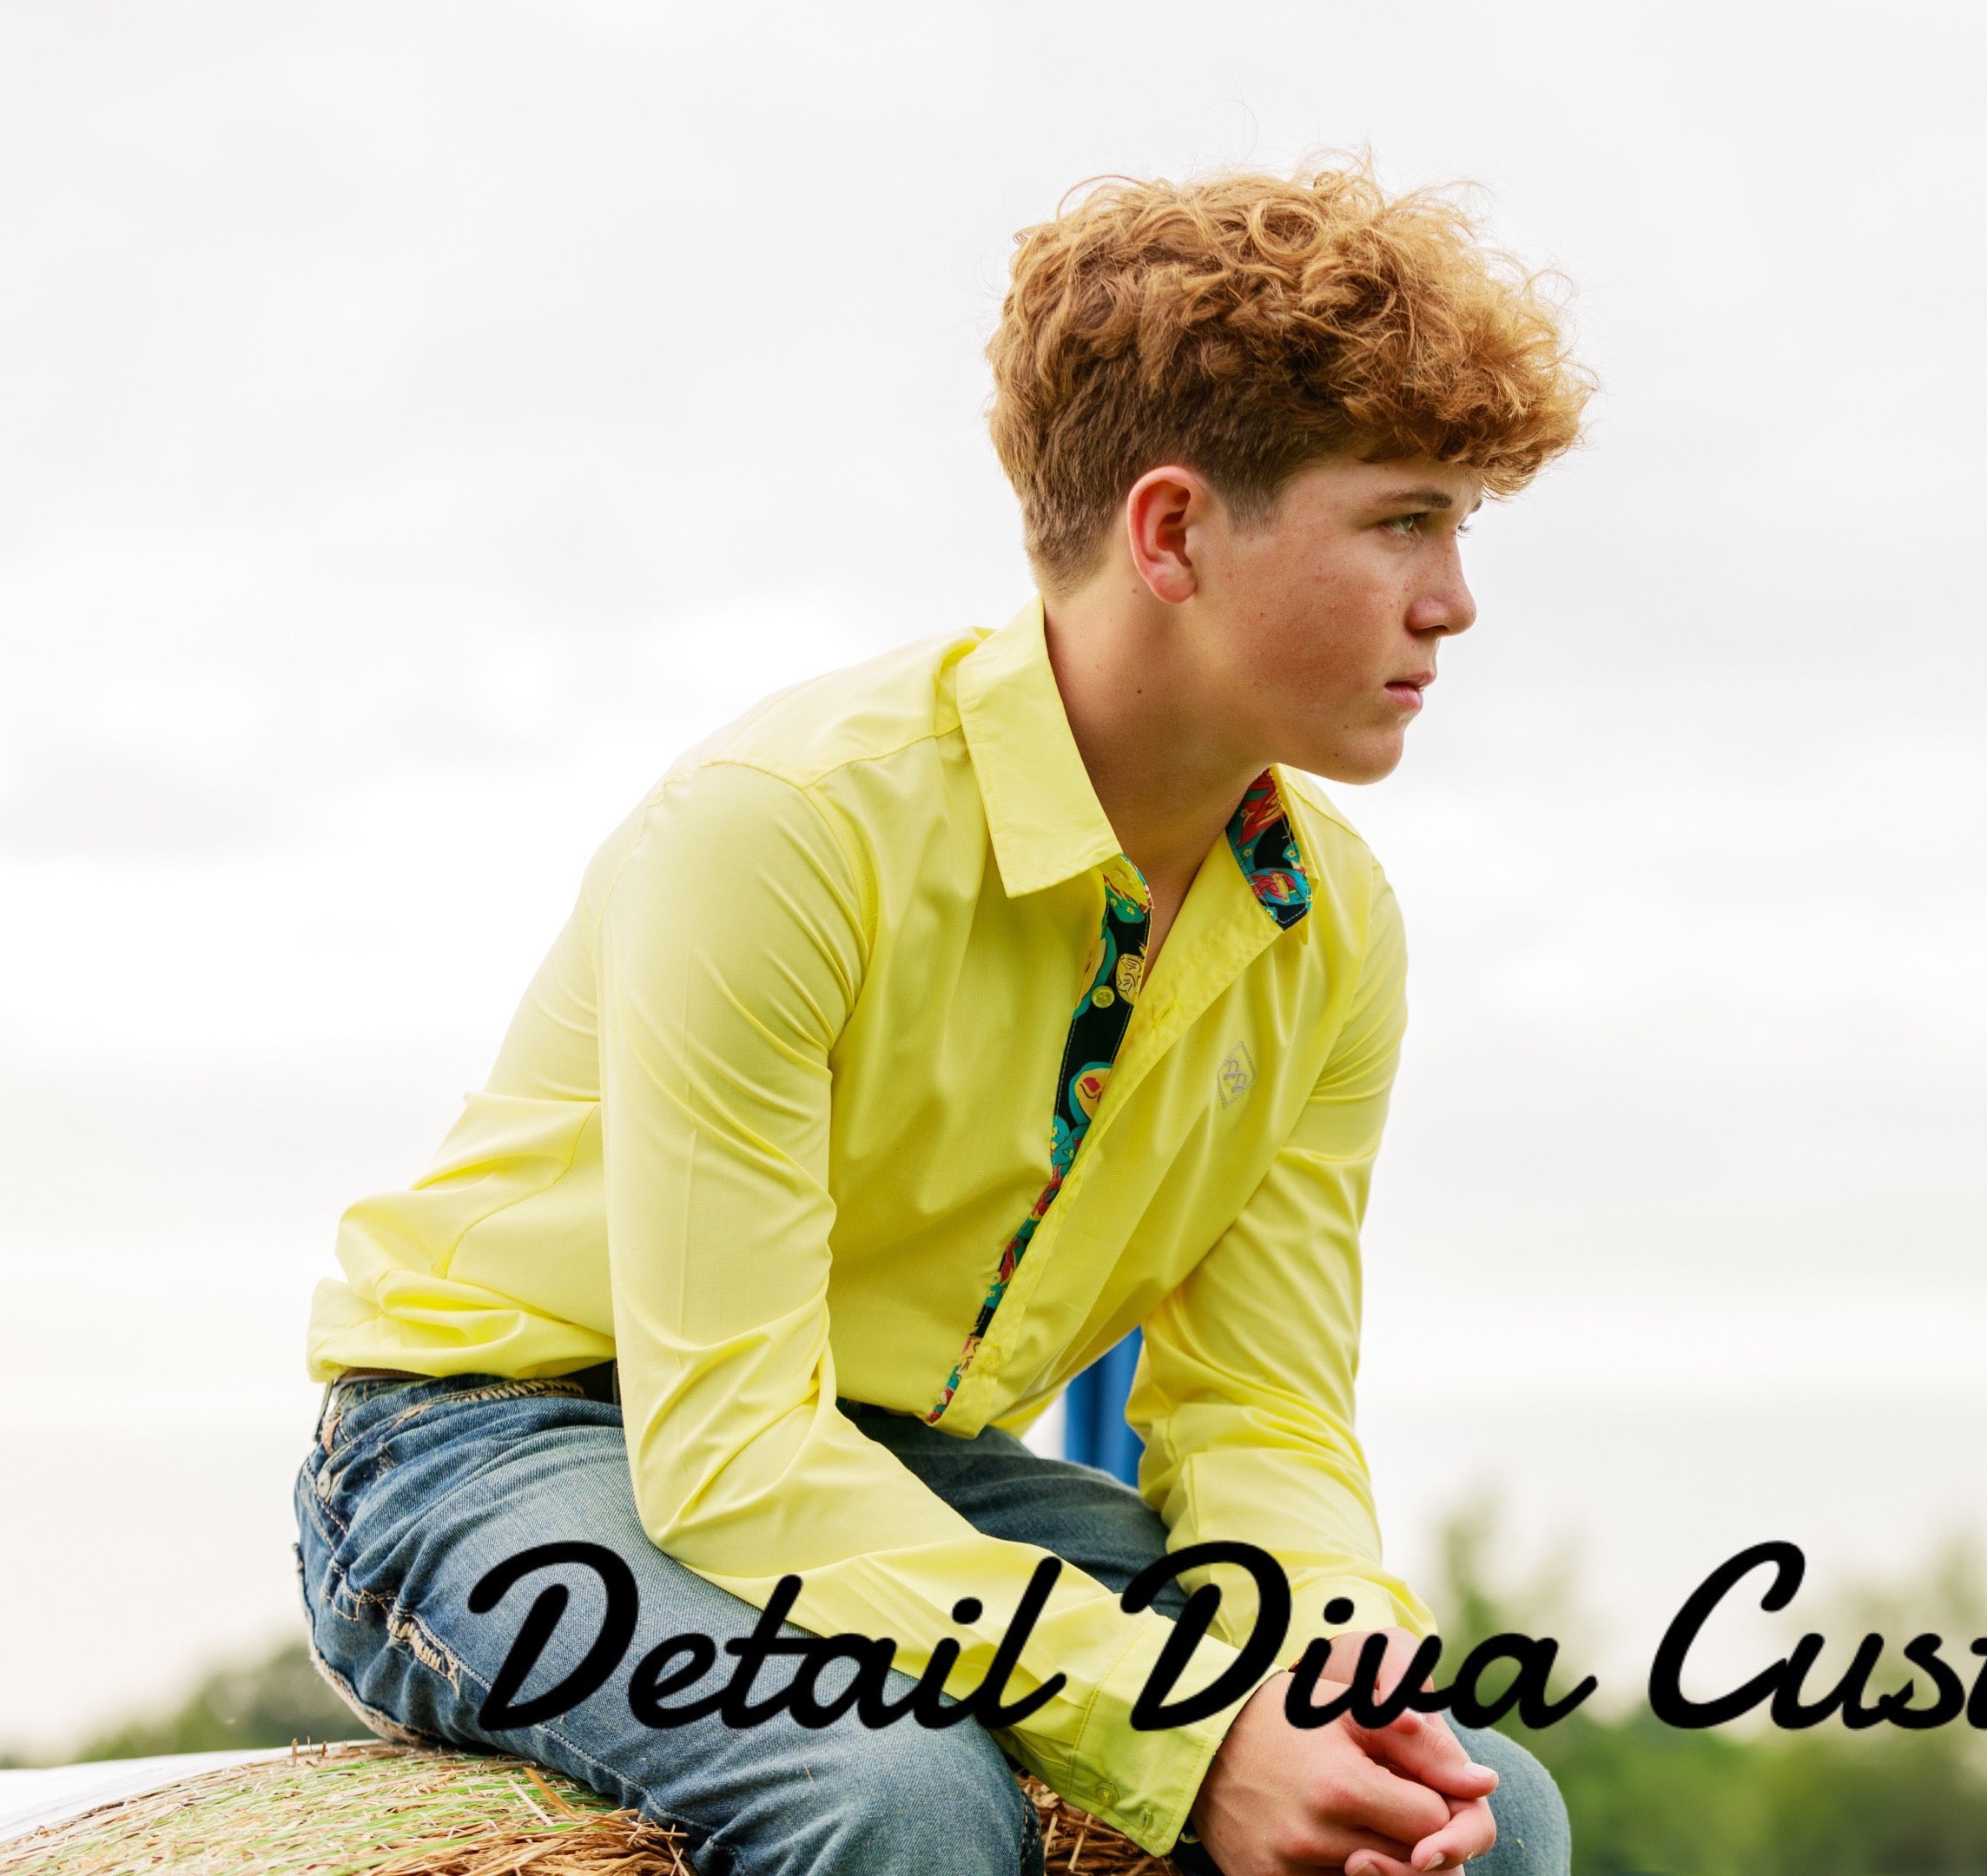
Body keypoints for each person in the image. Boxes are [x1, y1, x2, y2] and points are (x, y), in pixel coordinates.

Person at [291, 156, 1591, 1876]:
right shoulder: (785, 831)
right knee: (894, 1795)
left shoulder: (1327, 924)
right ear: (1175, 530)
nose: (1454, 600)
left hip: (895, 1460)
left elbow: (1261, 1411)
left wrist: (1320, 1659)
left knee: (1471, 1811)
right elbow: (734, 1451)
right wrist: (1190, 1741)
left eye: (1461, 526)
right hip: (494, 1445)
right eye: (1401, 520)